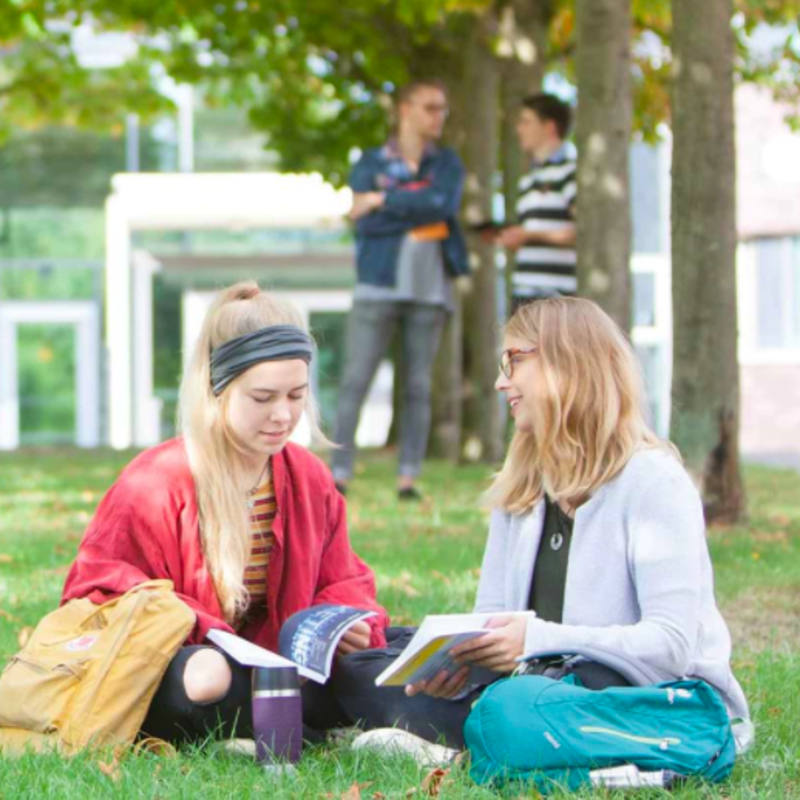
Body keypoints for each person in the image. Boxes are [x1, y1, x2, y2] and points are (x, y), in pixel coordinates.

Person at [334, 297, 750, 754]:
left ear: (567, 364)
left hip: (643, 696)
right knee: (366, 666)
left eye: (514, 361)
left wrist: (536, 640)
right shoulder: (525, 483)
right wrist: (464, 663)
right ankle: (488, 737)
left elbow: (670, 646)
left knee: (565, 686)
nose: (500, 382)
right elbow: (491, 617)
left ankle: (473, 743)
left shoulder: (653, 481)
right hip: (532, 682)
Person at [61, 281, 389, 744]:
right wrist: (204, 629)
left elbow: (344, 578)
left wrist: (345, 624)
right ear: (217, 389)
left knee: (387, 657)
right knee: (207, 677)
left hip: (283, 666)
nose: (283, 415)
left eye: (296, 396)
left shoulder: (308, 478)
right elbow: (97, 594)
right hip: (189, 664)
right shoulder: (155, 480)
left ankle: (282, 722)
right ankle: (308, 726)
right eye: (263, 398)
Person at [330, 79, 469, 501]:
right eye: (431, 107)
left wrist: (381, 200)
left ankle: (408, 478)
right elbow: (364, 222)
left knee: (418, 386)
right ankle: (338, 473)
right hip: (377, 284)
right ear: (405, 109)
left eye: (443, 108)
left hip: (430, 290)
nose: (439, 116)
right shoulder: (370, 162)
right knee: (355, 379)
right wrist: (410, 205)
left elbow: (442, 206)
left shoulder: (447, 163)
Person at [496, 94, 577, 310]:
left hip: (556, 297)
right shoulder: (528, 180)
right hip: (523, 293)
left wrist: (529, 235)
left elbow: (580, 233)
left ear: (549, 126)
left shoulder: (569, 172)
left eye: (526, 122)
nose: (519, 129)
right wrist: (515, 238)